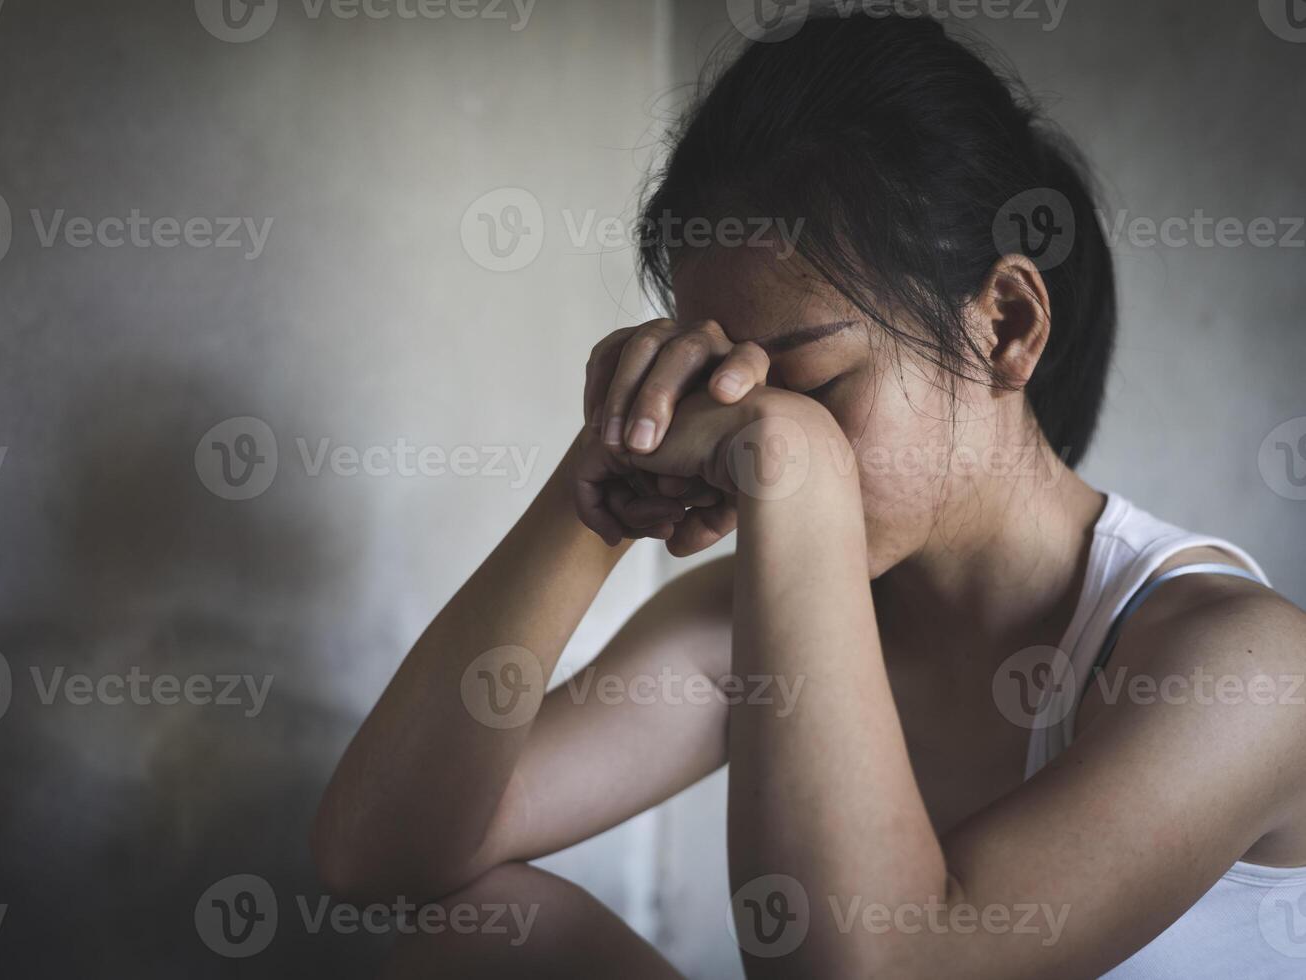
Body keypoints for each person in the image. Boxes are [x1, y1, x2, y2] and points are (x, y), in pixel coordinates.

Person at [313, 11, 1306, 977]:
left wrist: (797, 460)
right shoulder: (755, 626)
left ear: (1004, 322)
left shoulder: (1242, 664)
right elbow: (379, 857)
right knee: (487, 932)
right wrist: (599, 488)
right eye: (727, 394)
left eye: (816, 384)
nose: (750, 439)